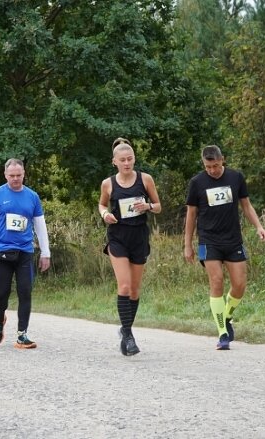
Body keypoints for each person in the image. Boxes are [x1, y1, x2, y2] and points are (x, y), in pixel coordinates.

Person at [184, 145, 265, 350]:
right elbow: (191, 215)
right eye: (207, 167)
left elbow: (246, 206)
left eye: (215, 165)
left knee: (239, 285)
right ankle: (222, 333)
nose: (212, 170)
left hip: (233, 240)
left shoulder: (235, 177)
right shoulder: (196, 183)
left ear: (223, 160)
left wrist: (258, 226)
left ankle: (227, 315)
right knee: (217, 281)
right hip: (208, 240)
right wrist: (187, 244)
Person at [0, 158, 51, 349]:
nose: (16, 179)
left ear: (24, 174)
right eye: (12, 176)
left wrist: (45, 253)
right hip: (2, 251)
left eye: (19, 175)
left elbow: (40, 226)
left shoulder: (32, 197)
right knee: (1, 293)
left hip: (25, 252)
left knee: (25, 291)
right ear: (5, 175)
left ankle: (22, 335)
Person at [98, 138, 162, 356]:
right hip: (118, 237)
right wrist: (105, 214)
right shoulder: (108, 183)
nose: (127, 163)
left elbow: (159, 206)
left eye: (130, 159)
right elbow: (101, 203)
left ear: (134, 159)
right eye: (122, 160)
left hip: (139, 237)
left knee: (134, 290)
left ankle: (125, 330)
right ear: (114, 161)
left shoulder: (145, 179)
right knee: (124, 287)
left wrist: (148, 206)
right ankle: (128, 335)